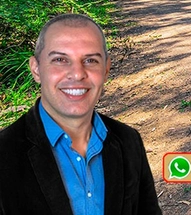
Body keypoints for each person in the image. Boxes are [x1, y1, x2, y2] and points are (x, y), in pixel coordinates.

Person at [0, 14, 162, 215]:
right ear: (36, 69)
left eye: (90, 60)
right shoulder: (4, 154)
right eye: (60, 59)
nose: (77, 74)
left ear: (105, 69)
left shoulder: (129, 141)